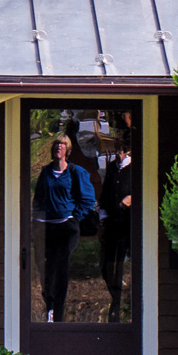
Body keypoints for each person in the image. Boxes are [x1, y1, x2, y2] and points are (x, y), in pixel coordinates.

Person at [34, 133, 97, 322]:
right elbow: (38, 198)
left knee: (61, 267)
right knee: (45, 267)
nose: (58, 148)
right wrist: (36, 217)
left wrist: (74, 217)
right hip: (47, 227)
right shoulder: (45, 172)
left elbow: (88, 199)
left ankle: (58, 313)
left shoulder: (75, 172)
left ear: (67, 150)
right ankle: (49, 307)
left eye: (62, 145)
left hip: (66, 227)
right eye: (56, 145)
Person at [99, 136, 135, 321]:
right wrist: (102, 217)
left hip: (125, 224)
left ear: (126, 152)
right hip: (111, 221)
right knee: (105, 265)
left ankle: (117, 305)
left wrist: (129, 199)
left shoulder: (134, 169)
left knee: (119, 263)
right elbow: (105, 194)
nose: (117, 154)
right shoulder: (113, 168)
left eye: (119, 151)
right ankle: (114, 295)